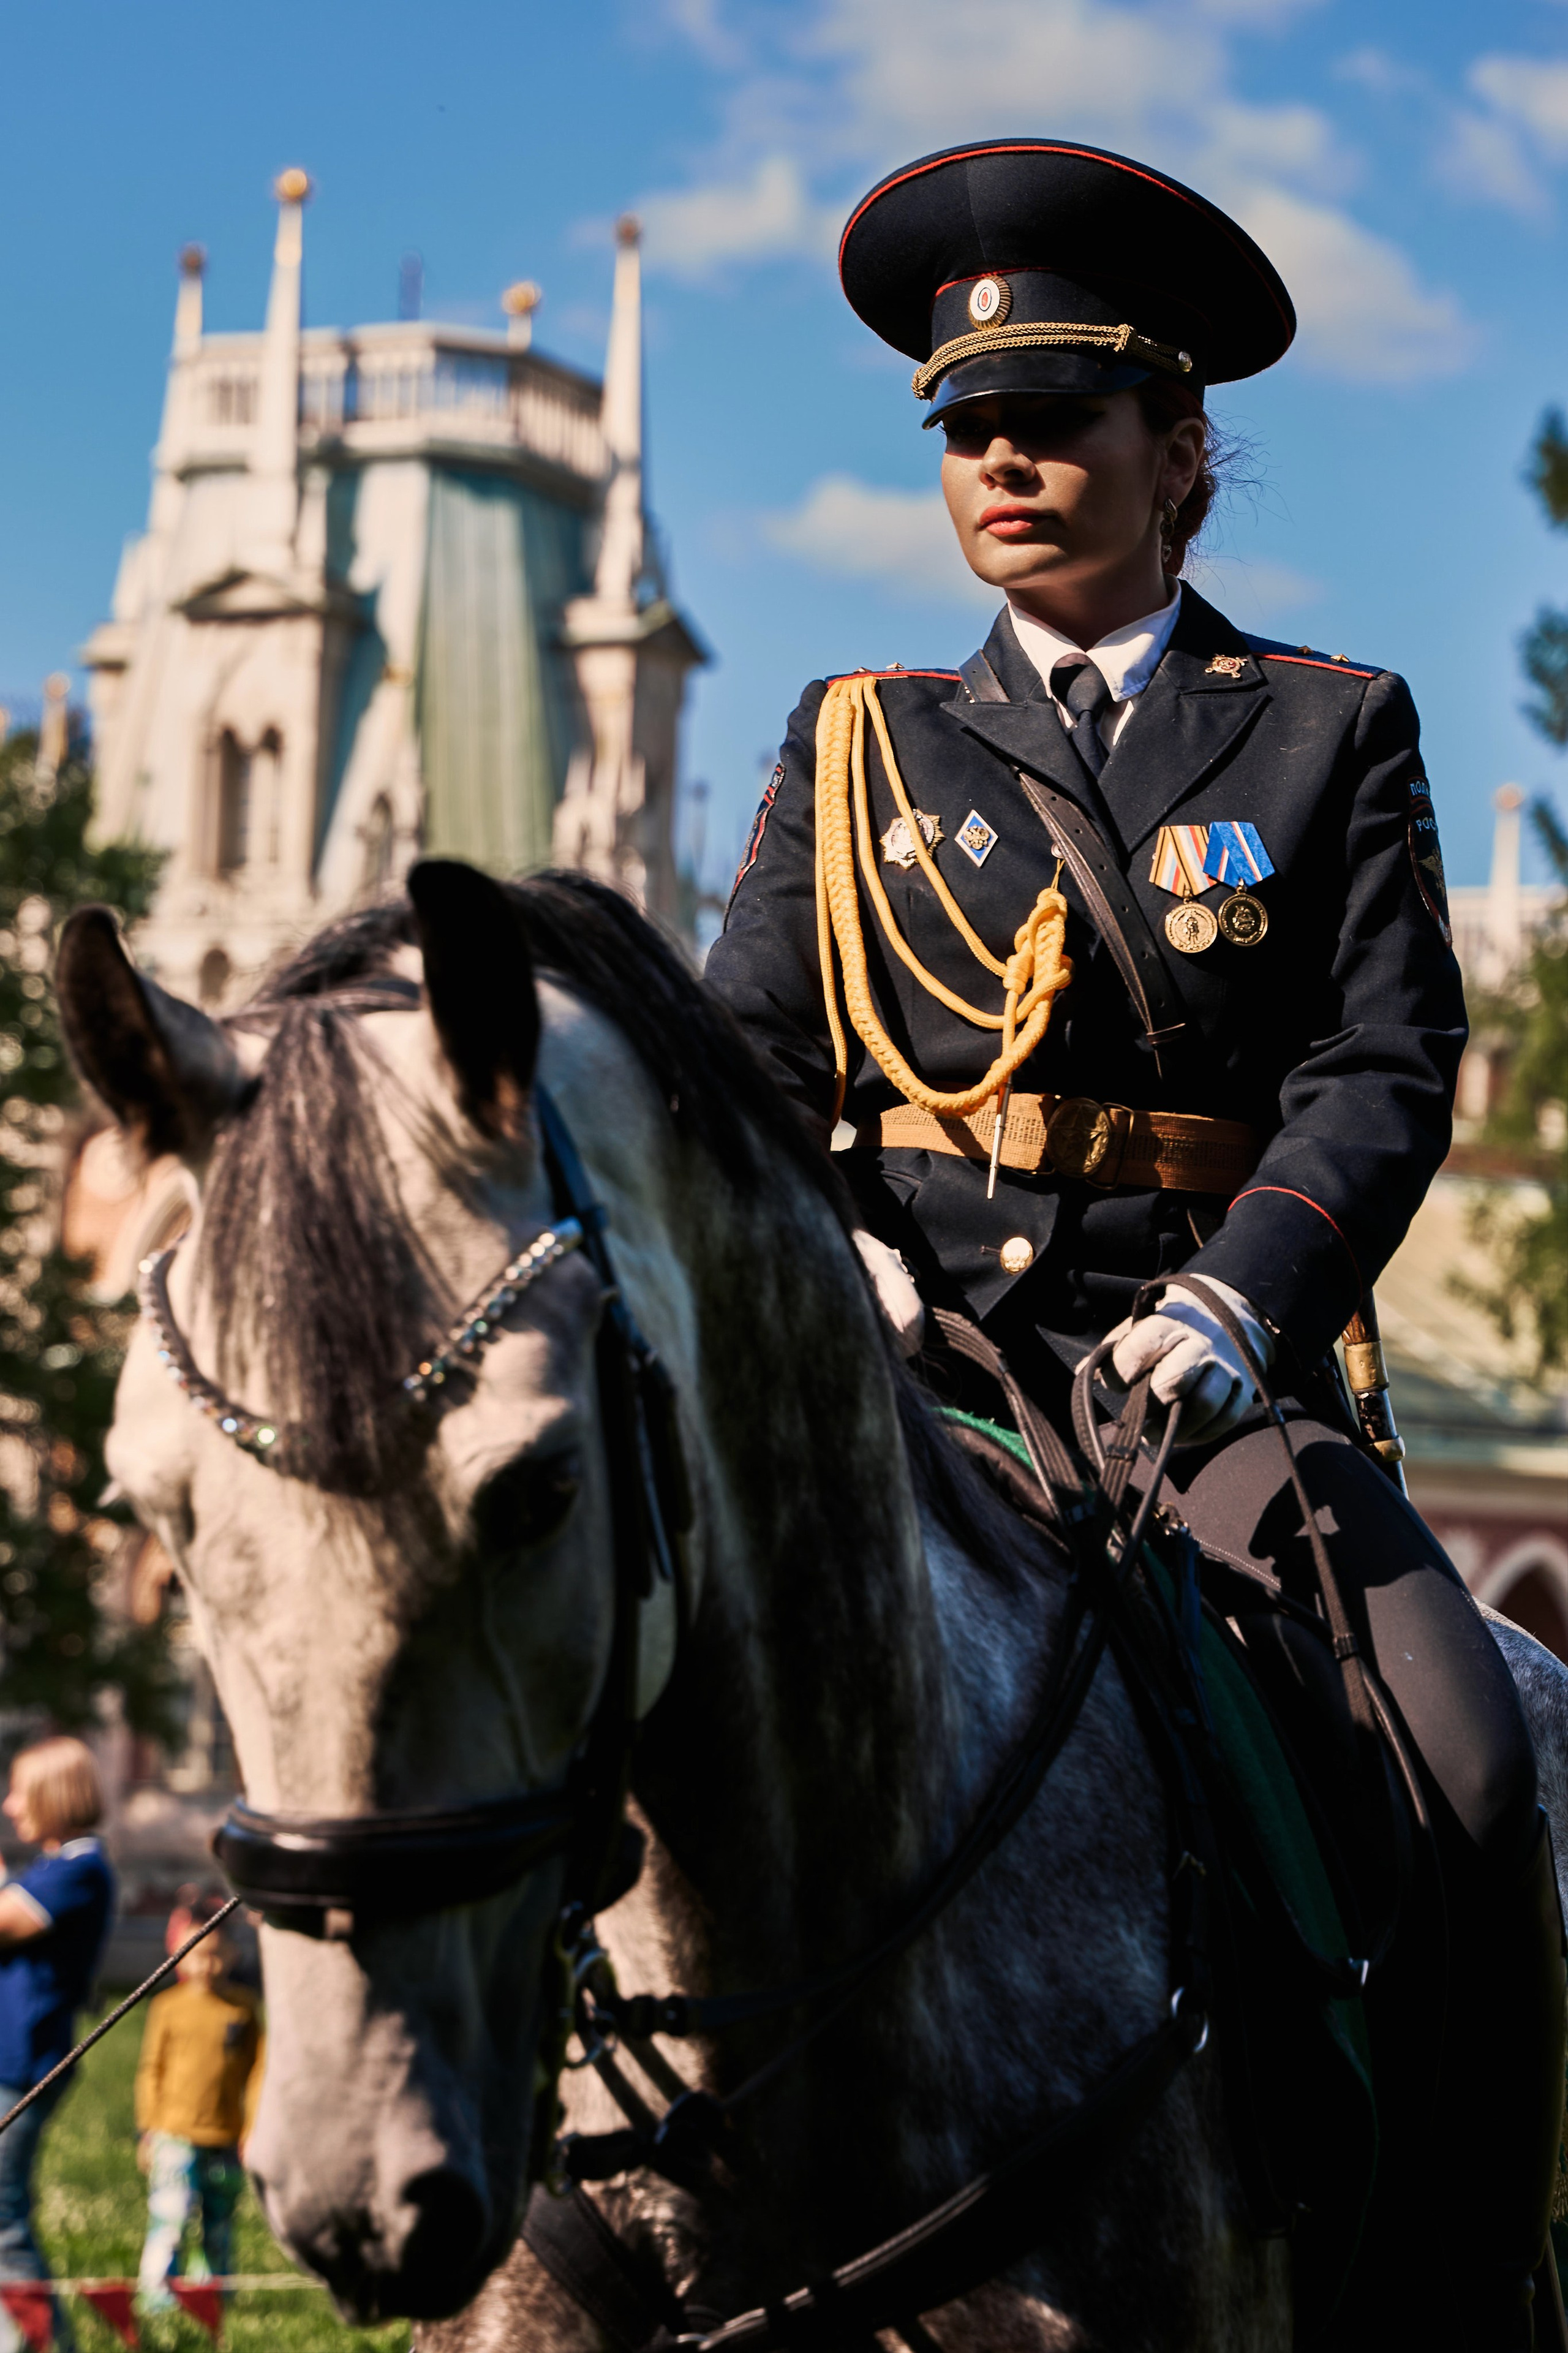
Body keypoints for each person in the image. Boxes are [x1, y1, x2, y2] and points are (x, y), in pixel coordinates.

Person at [707, 139, 1567, 2349]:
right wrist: (838, 1274)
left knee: (1468, 1757)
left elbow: (1379, 1070)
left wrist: (1223, 1305)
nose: (1000, 461)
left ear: (1173, 450)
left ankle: (1457, 2287)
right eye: (962, 431)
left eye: (1054, 420)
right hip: (908, 1395)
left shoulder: (1319, 728)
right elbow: (738, 1088)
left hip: (1205, 1399)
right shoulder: (852, 750)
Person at [0, 1737, 115, 2351]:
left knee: (0, 2218)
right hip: (10, 2061)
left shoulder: (80, 1869)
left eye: (20, 1790)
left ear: (53, 1794)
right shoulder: (49, 1870)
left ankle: (35, 2342)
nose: (10, 1804)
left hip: (22, 2066)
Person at [134, 1897, 262, 2313]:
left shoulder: (243, 2008)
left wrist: (252, 2128)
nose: (204, 1966)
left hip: (225, 2135)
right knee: (170, 2217)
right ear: (177, 1956)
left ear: (232, 1954)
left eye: (213, 1955)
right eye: (194, 1956)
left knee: (219, 2223)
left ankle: (212, 2297)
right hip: (174, 2135)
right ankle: (157, 2296)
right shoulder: (166, 2007)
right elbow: (150, 2070)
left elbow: (260, 2072)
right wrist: (148, 2128)